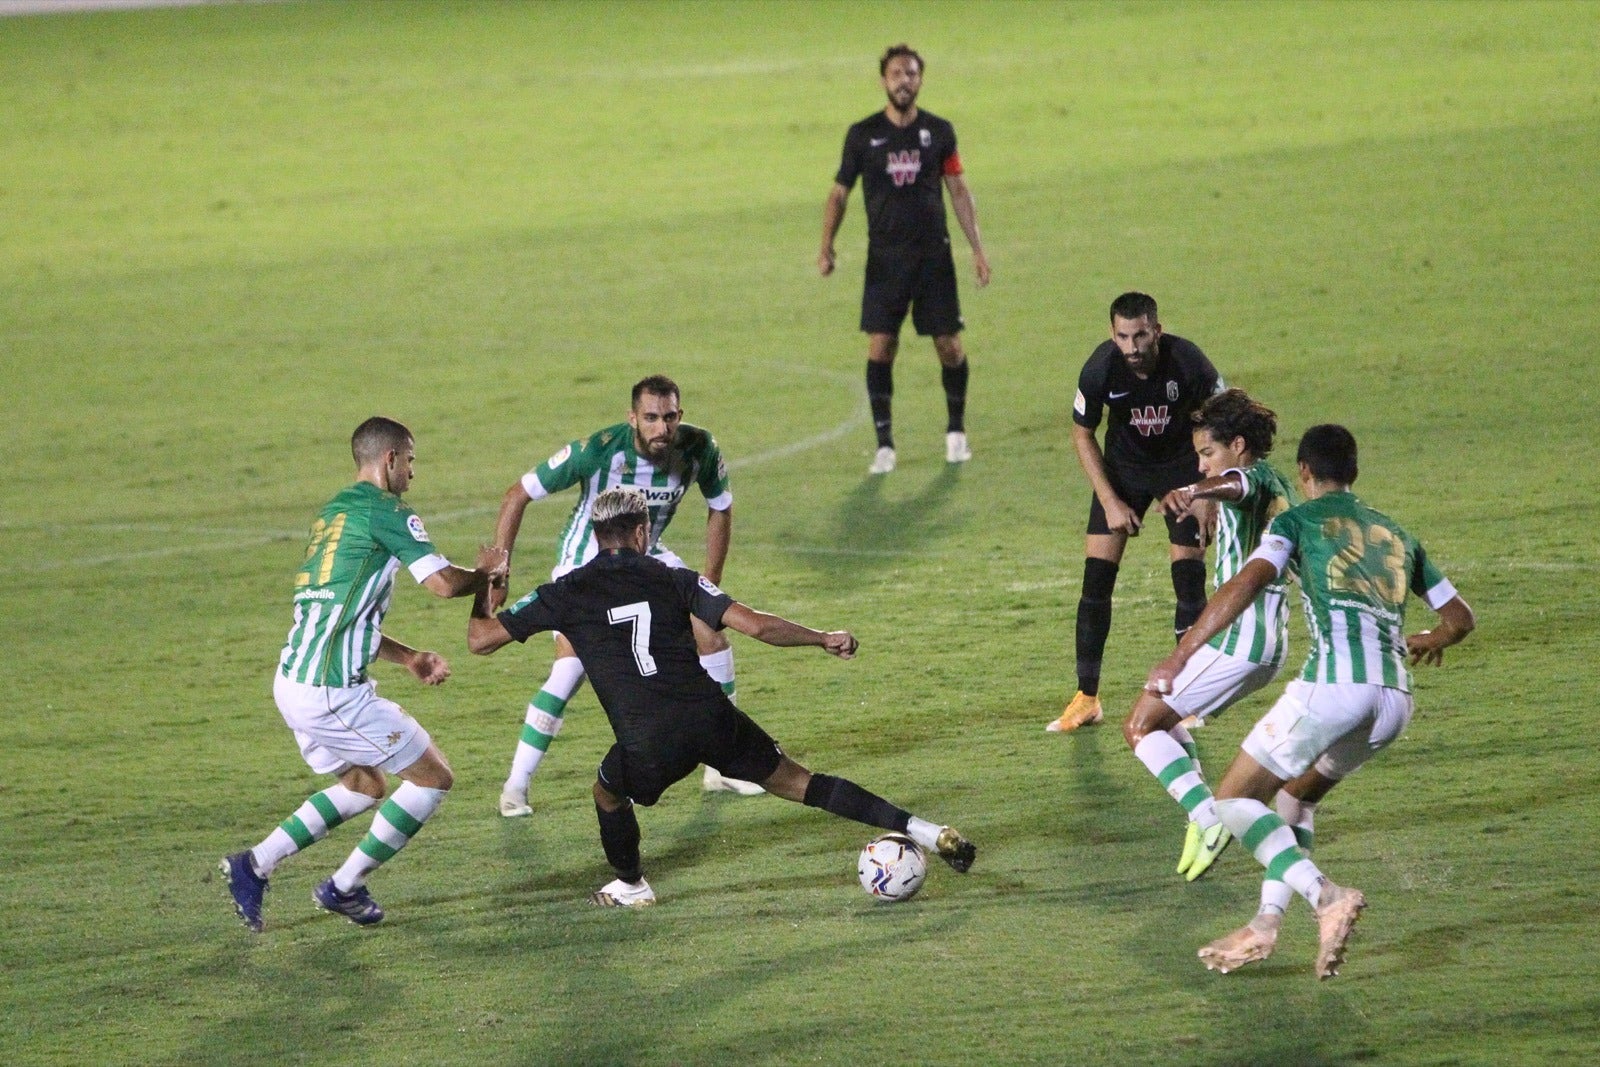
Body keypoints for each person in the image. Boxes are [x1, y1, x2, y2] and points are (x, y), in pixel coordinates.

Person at [467, 487, 977, 906]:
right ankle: (928, 831)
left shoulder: (565, 591)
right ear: (642, 532)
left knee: (607, 792)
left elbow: (480, 641)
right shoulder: (674, 578)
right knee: (804, 782)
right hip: (711, 717)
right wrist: (821, 637)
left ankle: (630, 884)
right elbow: (754, 625)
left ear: (597, 536)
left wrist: (485, 584)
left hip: (648, 740)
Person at [1144, 424, 1475, 979]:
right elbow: (1460, 618)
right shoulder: (1398, 535)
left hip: (1334, 688)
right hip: (1394, 701)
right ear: (1355, 473)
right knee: (1295, 801)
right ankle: (1264, 925)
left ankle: (1326, 897)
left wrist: (1180, 658)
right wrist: (1431, 639)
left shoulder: (1295, 521)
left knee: (1230, 800)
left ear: (1303, 472)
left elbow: (1246, 583)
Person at [220, 417, 507, 931]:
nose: (414, 474)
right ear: (391, 460)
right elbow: (442, 583)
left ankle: (253, 865)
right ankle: (343, 887)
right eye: (411, 461)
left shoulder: (333, 515)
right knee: (433, 778)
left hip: (294, 680)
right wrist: (485, 573)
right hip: (331, 694)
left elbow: (339, 615)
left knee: (363, 785)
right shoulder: (387, 510)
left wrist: (409, 658)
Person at [488, 375, 761, 816]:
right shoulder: (597, 451)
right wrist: (500, 569)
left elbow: (720, 507)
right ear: (632, 418)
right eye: (651, 418)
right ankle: (516, 786)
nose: (661, 429)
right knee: (571, 667)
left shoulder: (699, 449)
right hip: (584, 566)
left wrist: (708, 589)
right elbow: (516, 494)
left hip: (646, 558)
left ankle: (724, 765)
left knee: (712, 637)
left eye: (669, 417)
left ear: (680, 416)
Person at [1121, 390, 1296, 882]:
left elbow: (1235, 484)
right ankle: (1200, 816)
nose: (1201, 466)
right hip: (1260, 642)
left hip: (1241, 640)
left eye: (1207, 453)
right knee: (1164, 717)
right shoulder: (1275, 482)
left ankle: (1206, 816)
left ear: (1238, 445)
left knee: (1139, 725)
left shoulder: (1252, 477)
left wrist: (1196, 493)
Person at [1046, 292, 1224, 733]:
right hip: (1124, 474)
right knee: (1096, 581)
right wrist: (1110, 500)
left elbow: (1226, 424)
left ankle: (1188, 696)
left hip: (1183, 473)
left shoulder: (1188, 362)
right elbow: (1082, 434)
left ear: (1157, 330)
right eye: (1123, 336)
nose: (1132, 346)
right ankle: (1086, 698)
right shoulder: (1099, 369)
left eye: (1141, 334)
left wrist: (1206, 494)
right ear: (1113, 334)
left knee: (1188, 578)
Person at [818, 42, 991, 475]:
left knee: (949, 346)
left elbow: (958, 189)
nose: (904, 80)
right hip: (885, 261)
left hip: (934, 258)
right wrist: (826, 245)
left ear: (920, 79)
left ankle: (956, 435)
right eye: (897, 73)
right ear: (883, 80)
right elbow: (840, 192)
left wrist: (977, 248)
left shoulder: (940, 132)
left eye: (911, 73)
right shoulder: (862, 135)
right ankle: (884, 445)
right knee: (881, 347)